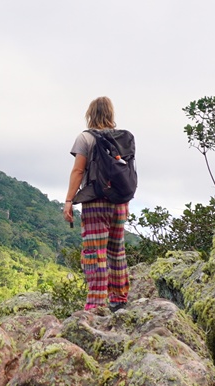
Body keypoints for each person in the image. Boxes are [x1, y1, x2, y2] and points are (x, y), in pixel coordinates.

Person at [62, 97, 130, 312]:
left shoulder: (85, 138)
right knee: (116, 251)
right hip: (119, 202)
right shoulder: (123, 138)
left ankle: (96, 304)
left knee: (94, 252)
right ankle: (119, 300)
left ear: (90, 114)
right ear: (111, 113)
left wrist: (69, 201)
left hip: (95, 202)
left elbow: (78, 170)